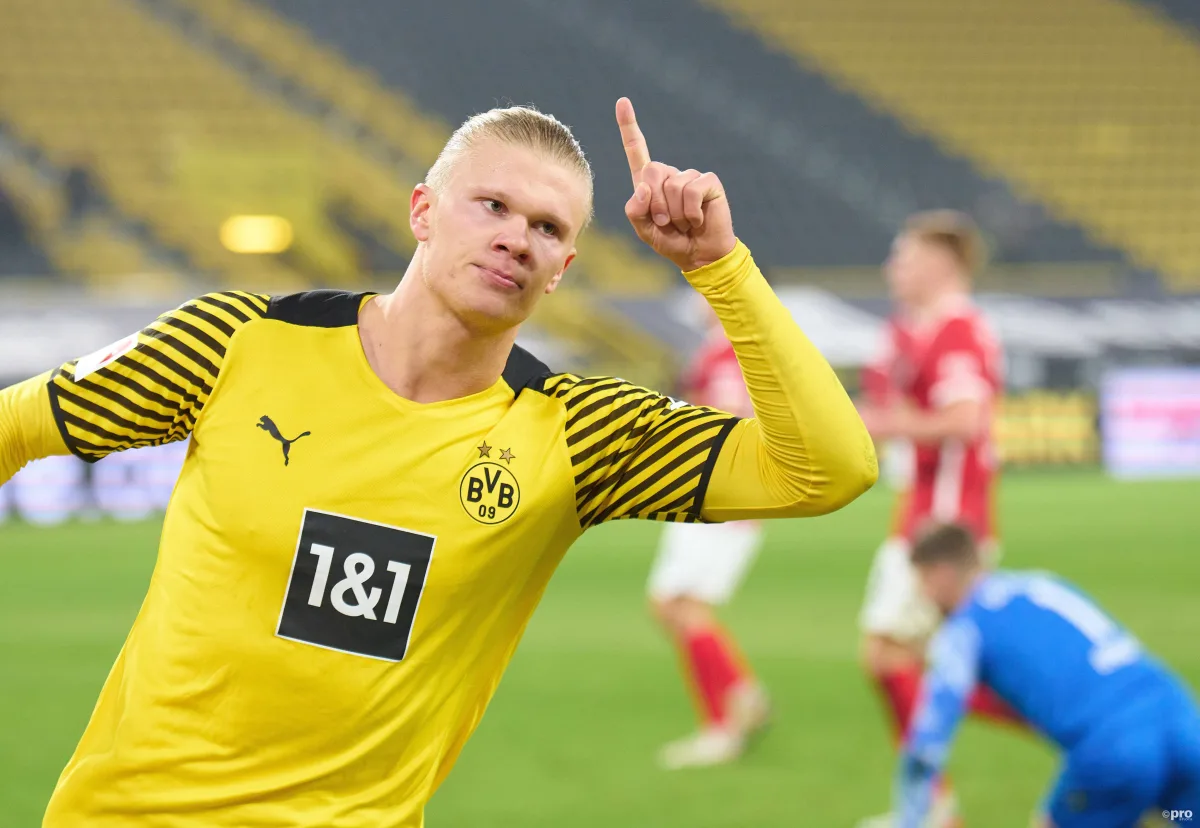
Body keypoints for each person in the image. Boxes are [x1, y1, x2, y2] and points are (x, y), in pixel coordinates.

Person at [0, 99, 878, 827]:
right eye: (490, 206)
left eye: (545, 227)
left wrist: (719, 267)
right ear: (423, 209)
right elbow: (16, 427)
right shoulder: (235, 342)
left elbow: (828, 470)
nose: (516, 238)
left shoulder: (573, 436)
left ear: (562, 267)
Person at [856, 210, 1017, 827]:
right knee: (902, 658)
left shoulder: (959, 332)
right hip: (923, 516)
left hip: (946, 524)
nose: (892, 267)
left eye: (904, 255)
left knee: (891, 656)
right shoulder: (916, 332)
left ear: (942, 263)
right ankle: (931, 804)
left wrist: (888, 422)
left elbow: (966, 419)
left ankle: (933, 807)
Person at [893, 523, 1200, 828]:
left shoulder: (964, 629)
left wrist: (909, 819)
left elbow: (927, 745)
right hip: (1180, 716)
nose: (923, 595)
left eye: (922, 581)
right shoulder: (1041, 585)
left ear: (941, 573)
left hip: (1114, 748)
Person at [647, 298, 769, 769]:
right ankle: (743, 696)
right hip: (721, 503)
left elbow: (721, 426)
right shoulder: (737, 350)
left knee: (683, 605)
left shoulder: (727, 355)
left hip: (717, 502)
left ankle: (722, 726)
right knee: (670, 605)